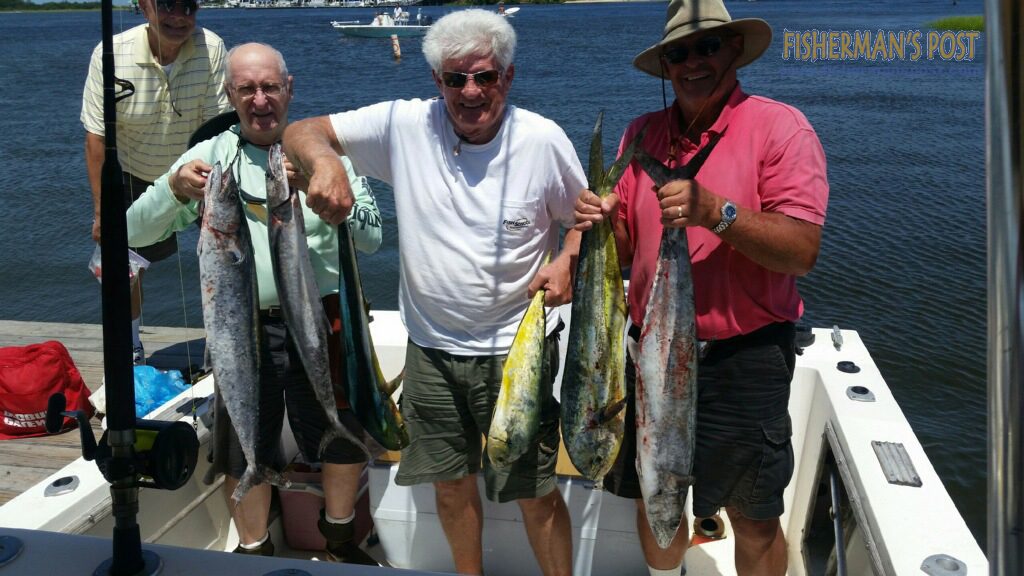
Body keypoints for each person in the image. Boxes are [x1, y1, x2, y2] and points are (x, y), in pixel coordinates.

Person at [282, 10, 585, 576]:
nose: (471, 91)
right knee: (450, 486)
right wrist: (325, 162)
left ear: (508, 78)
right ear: (437, 82)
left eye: (485, 77)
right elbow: (301, 131)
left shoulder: (543, 141)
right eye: (456, 79)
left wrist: (567, 258)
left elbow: (587, 221)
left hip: (515, 351)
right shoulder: (405, 124)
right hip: (430, 351)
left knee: (534, 493)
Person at [574, 1, 828, 575]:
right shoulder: (641, 134)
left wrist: (718, 212)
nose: (693, 62)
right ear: (666, 65)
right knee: (651, 489)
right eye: (679, 53)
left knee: (753, 511)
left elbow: (802, 250)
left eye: (708, 47)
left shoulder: (780, 128)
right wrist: (599, 223)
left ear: (734, 49)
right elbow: (619, 252)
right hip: (649, 353)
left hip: (743, 360)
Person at [124, 43, 384, 564]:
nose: (260, 100)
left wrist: (333, 198)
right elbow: (132, 230)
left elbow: (374, 237)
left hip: (325, 317)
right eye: (247, 89)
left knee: (341, 434)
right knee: (243, 443)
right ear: (231, 94)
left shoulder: (323, 151)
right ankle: (254, 547)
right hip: (239, 326)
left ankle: (339, 539)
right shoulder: (211, 156)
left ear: (290, 89)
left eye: (270, 87)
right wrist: (174, 190)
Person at [81, 0, 231, 366]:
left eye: (189, 6)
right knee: (121, 267)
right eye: (166, 5)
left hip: (200, 171)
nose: (179, 17)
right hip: (134, 174)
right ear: (143, 5)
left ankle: (226, 344)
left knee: (229, 259)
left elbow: (219, 129)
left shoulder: (212, 47)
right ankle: (130, 346)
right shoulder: (110, 54)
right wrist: (102, 211)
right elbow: (96, 138)